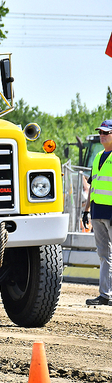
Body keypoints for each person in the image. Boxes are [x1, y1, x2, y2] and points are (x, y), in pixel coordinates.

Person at [82, 119, 112, 306]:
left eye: (106, 132)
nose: (102, 135)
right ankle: (105, 295)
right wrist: (86, 211)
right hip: (98, 212)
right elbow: (93, 187)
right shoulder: (98, 156)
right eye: (100, 132)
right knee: (103, 254)